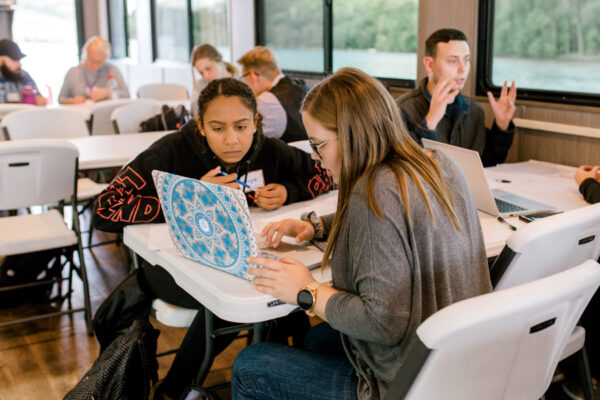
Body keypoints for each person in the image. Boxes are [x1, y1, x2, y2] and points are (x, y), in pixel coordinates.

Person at [231, 68, 492, 400]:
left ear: (353, 134)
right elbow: (398, 222)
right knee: (316, 340)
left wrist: (305, 290)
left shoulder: (373, 192)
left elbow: (382, 322)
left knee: (250, 366)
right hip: (461, 364)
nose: (315, 156)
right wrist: (317, 226)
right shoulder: (439, 162)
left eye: (319, 144)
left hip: (405, 385)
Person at [92, 77, 332, 400]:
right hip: (171, 270)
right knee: (231, 301)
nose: (232, 140)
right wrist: (187, 199)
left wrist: (291, 191)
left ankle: (274, 376)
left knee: (270, 290)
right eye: (218, 128)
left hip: (242, 263)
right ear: (201, 126)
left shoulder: (269, 150)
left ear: (256, 123)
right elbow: (105, 209)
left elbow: (326, 175)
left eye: (242, 126)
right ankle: (174, 390)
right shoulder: (170, 151)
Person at [397, 28, 517, 167]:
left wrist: (501, 127)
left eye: (466, 60)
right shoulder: (403, 109)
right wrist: (430, 122)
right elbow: (405, 170)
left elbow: (487, 165)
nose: (463, 69)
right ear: (429, 64)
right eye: (453, 61)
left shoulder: (474, 110)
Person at [238, 46, 309, 143]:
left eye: (244, 77)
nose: (245, 82)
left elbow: (250, 141)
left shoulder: (266, 102)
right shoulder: (304, 86)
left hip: (288, 157)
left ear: (253, 75)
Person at [58, 36, 129, 104]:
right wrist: (72, 101)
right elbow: (61, 98)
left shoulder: (111, 69)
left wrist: (108, 93)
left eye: (98, 62)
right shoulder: (73, 72)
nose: (93, 64)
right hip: (80, 114)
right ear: (86, 54)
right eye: (91, 59)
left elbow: (127, 95)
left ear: (104, 59)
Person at [190, 43, 238, 116]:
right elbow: (196, 113)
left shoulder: (239, 82)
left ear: (220, 63)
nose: (205, 76)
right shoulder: (200, 85)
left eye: (208, 68)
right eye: (201, 73)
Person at [0, 39, 47, 106]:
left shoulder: (23, 75)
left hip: (20, 115)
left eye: (19, 60)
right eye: (14, 59)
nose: (19, 64)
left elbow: (42, 102)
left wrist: (32, 95)